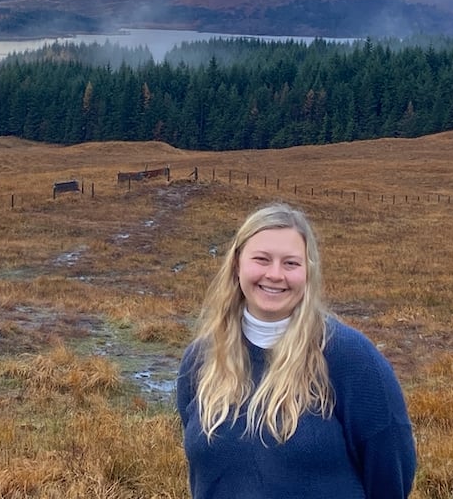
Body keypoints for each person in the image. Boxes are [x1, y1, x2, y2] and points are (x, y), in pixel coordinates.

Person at [176, 203, 416, 499]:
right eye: (262, 259)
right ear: (237, 264)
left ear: (308, 271)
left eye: (290, 263)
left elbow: (390, 478)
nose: (275, 275)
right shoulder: (200, 360)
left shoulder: (352, 359)